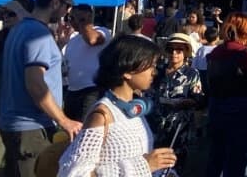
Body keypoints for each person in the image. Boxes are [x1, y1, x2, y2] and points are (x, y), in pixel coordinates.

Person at [57, 35, 177, 176]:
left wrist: (160, 170)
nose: (154, 72)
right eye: (150, 66)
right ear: (127, 71)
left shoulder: (133, 110)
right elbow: (74, 173)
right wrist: (144, 166)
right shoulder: (102, 115)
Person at [0, 0, 81, 177]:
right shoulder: (38, 34)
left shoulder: (20, 29)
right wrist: (64, 121)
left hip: (17, 124)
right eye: (68, 5)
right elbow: (35, 84)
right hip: (31, 127)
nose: (68, 11)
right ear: (55, 2)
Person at [205, 12, 247, 177]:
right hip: (242, 110)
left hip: (217, 107)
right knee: (239, 158)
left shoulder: (216, 52)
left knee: (217, 156)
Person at [0, 0, 34, 177]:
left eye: (12, 13)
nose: (6, 17)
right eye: (4, 14)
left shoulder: (35, 41)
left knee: (19, 171)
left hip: (24, 120)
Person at [150, 33, 204, 171]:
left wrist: (183, 103)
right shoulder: (158, 71)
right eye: (171, 50)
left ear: (185, 53)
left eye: (179, 50)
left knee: (174, 164)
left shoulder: (192, 74)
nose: (174, 53)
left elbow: (197, 99)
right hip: (156, 123)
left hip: (179, 126)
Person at [62, 4, 111, 121]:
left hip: (92, 90)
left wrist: (83, 21)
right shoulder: (72, 39)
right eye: (70, 18)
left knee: (87, 126)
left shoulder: (102, 31)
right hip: (72, 91)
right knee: (71, 128)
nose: (71, 21)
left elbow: (92, 40)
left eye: (74, 18)